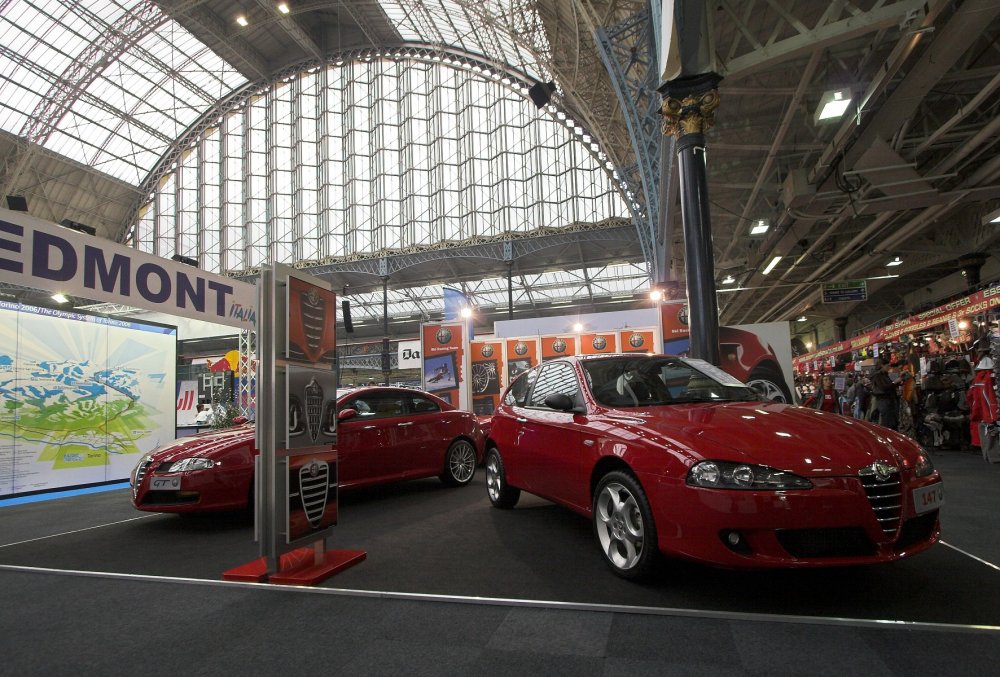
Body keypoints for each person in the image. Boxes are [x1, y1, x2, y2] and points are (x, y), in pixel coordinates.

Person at [870, 359, 899, 430]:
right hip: (883, 401)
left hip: (888, 400)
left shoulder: (885, 374)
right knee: (886, 421)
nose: (889, 367)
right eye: (887, 366)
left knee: (891, 421)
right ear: (882, 365)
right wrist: (895, 382)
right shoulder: (878, 375)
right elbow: (884, 387)